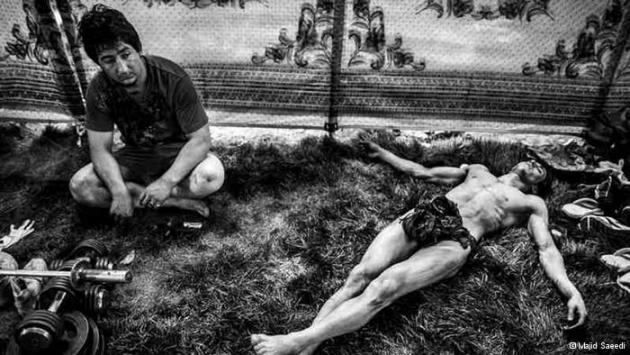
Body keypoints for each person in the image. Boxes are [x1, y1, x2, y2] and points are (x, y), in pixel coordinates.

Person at [251, 141, 587, 355]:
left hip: (456, 239)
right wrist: (384, 154)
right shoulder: (477, 169)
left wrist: (570, 290)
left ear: (542, 183)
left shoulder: (531, 203)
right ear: (521, 159)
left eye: (544, 170)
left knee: (384, 288)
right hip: (427, 214)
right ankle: (309, 345)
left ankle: (297, 340)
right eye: (535, 159)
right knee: (360, 275)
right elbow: (423, 172)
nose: (537, 166)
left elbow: (547, 249)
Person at [69, 4, 224, 220]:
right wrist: (117, 190)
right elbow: (99, 149)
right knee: (80, 186)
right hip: (135, 157)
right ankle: (171, 202)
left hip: (177, 155)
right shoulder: (99, 89)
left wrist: (166, 181)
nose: (122, 68)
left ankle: (143, 195)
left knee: (211, 176)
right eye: (109, 60)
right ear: (99, 63)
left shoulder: (173, 78)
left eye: (125, 54)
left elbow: (200, 140)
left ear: (137, 49)